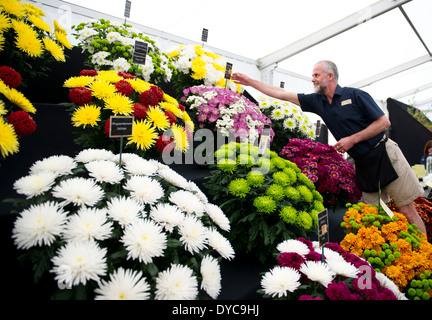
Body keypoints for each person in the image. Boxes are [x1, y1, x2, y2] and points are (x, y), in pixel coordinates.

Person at [232, 60, 427, 235]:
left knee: (406, 210)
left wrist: (352, 139)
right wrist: (250, 81)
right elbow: (282, 94)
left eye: (316, 75)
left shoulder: (356, 95)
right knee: (374, 218)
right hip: (364, 164)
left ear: (330, 76)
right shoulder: (318, 102)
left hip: (385, 153)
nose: (313, 79)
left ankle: (425, 260)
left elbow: (384, 122)